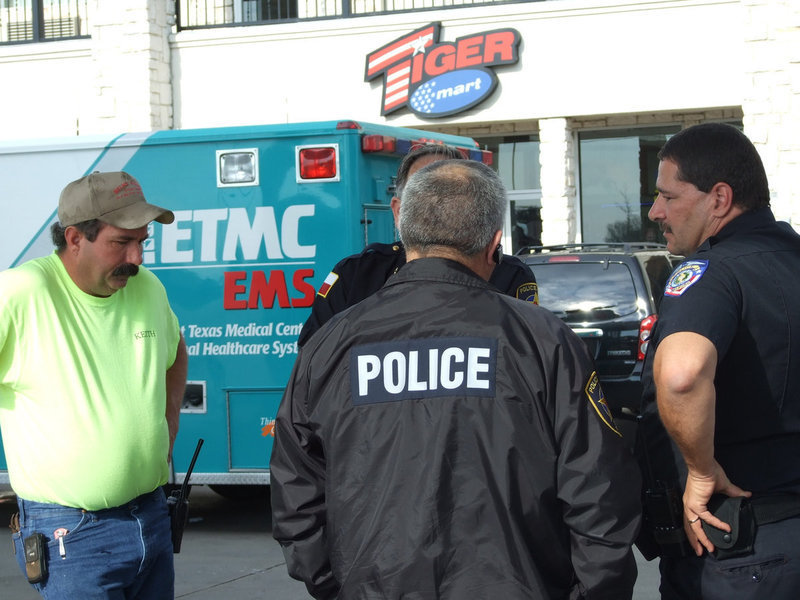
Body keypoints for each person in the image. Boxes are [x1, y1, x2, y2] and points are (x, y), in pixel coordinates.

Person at [270, 159, 642, 599]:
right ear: (494, 245)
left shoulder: (330, 344)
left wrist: (336, 588)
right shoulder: (543, 340)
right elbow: (598, 490)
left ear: (405, 232)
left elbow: (296, 493)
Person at [0, 171, 188, 598]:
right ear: (74, 238)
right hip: (71, 534)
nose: (137, 258)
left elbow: (176, 351)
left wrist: (167, 424)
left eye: (143, 241)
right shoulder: (22, 293)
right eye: (122, 242)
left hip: (150, 517)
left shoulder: (148, 290)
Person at [641, 123, 800, 598]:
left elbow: (682, 375)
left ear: (719, 198)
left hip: (742, 548)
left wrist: (701, 471)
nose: (655, 212)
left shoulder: (710, 273)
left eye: (667, 196)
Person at [296, 144, 539, 346]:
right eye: (422, 194)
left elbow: (525, 357)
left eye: (452, 195)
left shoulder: (507, 273)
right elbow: (314, 356)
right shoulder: (357, 274)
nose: (437, 205)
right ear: (399, 211)